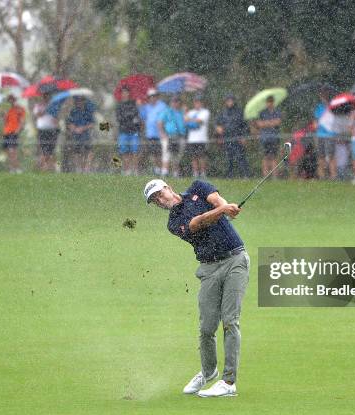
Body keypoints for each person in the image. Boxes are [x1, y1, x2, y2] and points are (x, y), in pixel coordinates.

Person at [143, 178, 249, 398]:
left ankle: (228, 382)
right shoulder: (174, 223)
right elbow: (197, 223)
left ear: (169, 188)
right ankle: (208, 372)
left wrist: (226, 206)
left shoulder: (197, 187)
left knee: (230, 321)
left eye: (160, 194)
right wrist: (223, 210)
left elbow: (215, 198)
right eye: (155, 201)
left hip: (235, 259)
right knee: (207, 327)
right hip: (209, 268)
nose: (160, 200)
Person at [215, 93, 249, 178]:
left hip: (237, 138)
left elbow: (244, 125)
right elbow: (217, 124)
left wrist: (243, 136)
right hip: (226, 138)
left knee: (240, 157)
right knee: (228, 158)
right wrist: (218, 132)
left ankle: (245, 175)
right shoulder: (222, 113)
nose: (229, 102)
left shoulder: (239, 112)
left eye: (231, 100)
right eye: (228, 101)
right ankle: (229, 176)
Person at [139, 88, 167, 175]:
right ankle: (157, 169)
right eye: (151, 96)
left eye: (154, 96)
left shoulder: (162, 106)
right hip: (150, 134)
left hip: (161, 134)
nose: (152, 98)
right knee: (153, 153)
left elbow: (164, 118)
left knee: (161, 153)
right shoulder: (147, 107)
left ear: (157, 97)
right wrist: (140, 106)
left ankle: (163, 170)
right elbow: (143, 117)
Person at [157, 95, 186, 177]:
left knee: (177, 155)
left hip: (179, 136)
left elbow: (186, 121)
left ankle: (175, 173)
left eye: (177, 101)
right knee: (167, 153)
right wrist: (162, 134)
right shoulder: (167, 111)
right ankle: (164, 172)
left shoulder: (182, 112)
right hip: (168, 136)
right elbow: (160, 122)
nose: (175, 103)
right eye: (173, 101)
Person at [116, 86, 142, 175]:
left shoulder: (134, 103)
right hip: (123, 131)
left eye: (126, 92)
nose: (125, 94)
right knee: (124, 151)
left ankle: (135, 170)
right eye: (123, 92)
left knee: (135, 151)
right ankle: (127, 170)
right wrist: (129, 116)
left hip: (134, 131)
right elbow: (119, 118)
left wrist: (128, 116)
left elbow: (136, 116)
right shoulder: (119, 105)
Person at [66, 96, 96, 173]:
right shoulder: (73, 111)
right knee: (77, 151)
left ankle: (87, 168)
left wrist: (83, 128)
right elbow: (69, 123)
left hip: (86, 134)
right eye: (78, 101)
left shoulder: (88, 111)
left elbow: (92, 123)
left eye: (81, 101)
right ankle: (78, 168)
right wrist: (74, 128)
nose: (80, 102)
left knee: (89, 151)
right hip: (76, 135)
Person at [313, 90, 338, 179]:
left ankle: (333, 176)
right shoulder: (319, 107)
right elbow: (315, 121)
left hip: (330, 135)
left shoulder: (334, 107)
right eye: (322, 96)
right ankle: (322, 176)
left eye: (324, 96)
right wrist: (315, 125)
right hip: (320, 135)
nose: (323, 98)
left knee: (331, 156)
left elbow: (335, 121)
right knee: (321, 156)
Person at [184, 94, 210, 178]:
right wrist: (185, 112)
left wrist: (190, 119)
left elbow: (199, 121)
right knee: (194, 157)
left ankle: (203, 173)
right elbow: (185, 120)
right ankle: (195, 173)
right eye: (196, 102)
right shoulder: (191, 112)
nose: (197, 104)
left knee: (202, 156)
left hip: (201, 139)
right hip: (192, 139)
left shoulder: (205, 112)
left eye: (199, 102)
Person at [256, 95, 282, 177]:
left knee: (274, 157)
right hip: (265, 138)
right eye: (268, 101)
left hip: (274, 138)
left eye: (271, 101)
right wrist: (270, 123)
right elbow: (259, 123)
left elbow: (278, 122)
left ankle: (275, 176)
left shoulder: (277, 111)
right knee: (265, 157)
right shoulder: (262, 112)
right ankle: (265, 176)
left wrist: (266, 123)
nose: (269, 103)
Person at [33, 93, 59, 172]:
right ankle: (43, 167)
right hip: (42, 130)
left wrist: (56, 120)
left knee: (51, 150)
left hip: (52, 129)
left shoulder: (54, 105)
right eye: (45, 96)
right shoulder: (38, 105)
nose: (46, 98)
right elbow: (37, 115)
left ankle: (51, 167)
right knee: (44, 149)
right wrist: (45, 109)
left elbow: (56, 117)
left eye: (48, 96)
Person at [2, 94, 26, 174]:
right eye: (9, 100)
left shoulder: (20, 109)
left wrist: (18, 130)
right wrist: (4, 116)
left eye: (12, 99)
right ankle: (12, 168)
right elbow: (5, 122)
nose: (11, 101)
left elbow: (22, 121)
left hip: (13, 132)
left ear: (15, 100)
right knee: (8, 151)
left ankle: (17, 168)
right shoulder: (8, 110)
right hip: (6, 132)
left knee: (13, 151)